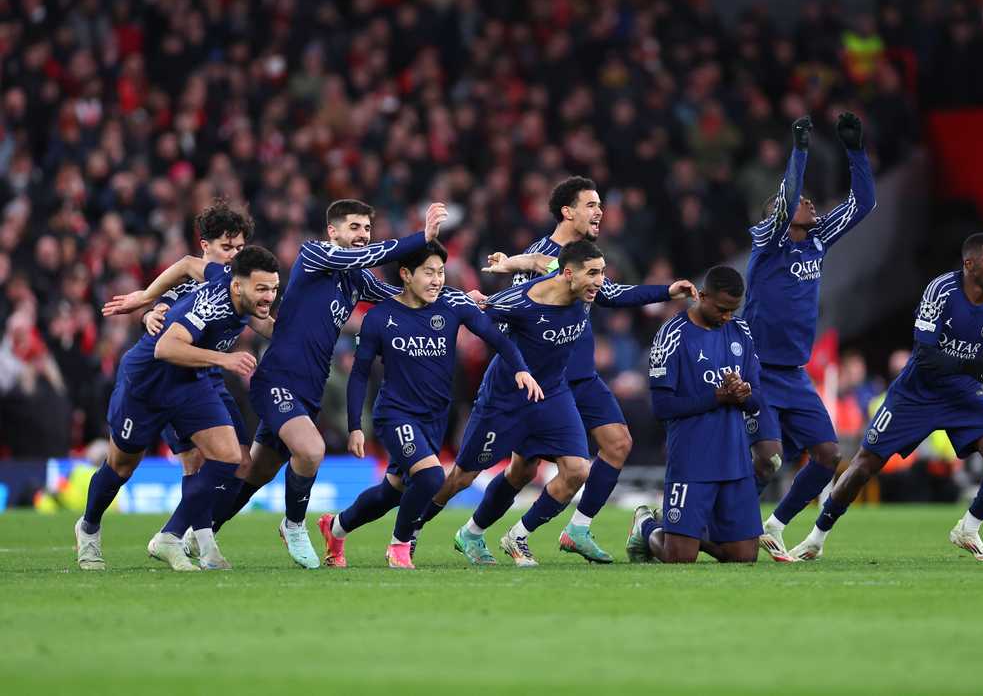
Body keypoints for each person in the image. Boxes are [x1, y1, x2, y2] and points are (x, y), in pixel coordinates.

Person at [788, 234, 983, 562]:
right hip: (916, 393)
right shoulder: (941, 291)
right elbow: (925, 355)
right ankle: (816, 537)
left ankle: (969, 529)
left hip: (962, 394)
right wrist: (976, 367)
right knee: (864, 465)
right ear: (969, 264)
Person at [477, 175, 699, 563]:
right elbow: (511, 315)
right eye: (591, 205)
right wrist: (519, 369)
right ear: (568, 211)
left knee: (618, 443)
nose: (600, 211)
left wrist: (665, 291)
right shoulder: (539, 256)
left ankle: (576, 529)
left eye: (600, 204)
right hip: (547, 382)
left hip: (582, 375)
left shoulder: (589, 259)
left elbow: (613, 294)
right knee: (521, 470)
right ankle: (472, 530)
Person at [222, 199, 448, 568]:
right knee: (311, 450)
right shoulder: (315, 255)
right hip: (277, 379)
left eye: (367, 228)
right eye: (354, 227)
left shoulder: (356, 279)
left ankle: (196, 530)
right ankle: (294, 524)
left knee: (253, 474)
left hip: (310, 390)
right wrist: (421, 237)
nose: (363, 235)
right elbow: (372, 255)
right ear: (333, 231)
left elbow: (405, 297)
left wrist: (459, 301)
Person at [315, 240, 543, 569]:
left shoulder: (453, 303)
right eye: (428, 273)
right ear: (406, 275)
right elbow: (360, 374)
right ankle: (399, 546)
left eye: (440, 272)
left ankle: (335, 527)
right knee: (432, 477)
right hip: (395, 414)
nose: (437, 280)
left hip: (434, 418)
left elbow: (497, 339)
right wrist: (355, 427)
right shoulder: (379, 317)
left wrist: (521, 368)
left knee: (391, 492)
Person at [77, 247, 281, 571]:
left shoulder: (234, 285)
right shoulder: (212, 303)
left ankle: (170, 536)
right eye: (262, 289)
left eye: (273, 288)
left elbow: (188, 265)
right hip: (147, 383)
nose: (269, 296)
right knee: (121, 467)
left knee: (229, 457)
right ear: (238, 286)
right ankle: (88, 527)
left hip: (189, 383)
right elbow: (165, 347)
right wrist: (224, 359)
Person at [742, 113, 877, 562]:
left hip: (795, 374)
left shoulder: (817, 240)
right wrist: (799, 152)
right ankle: (728, 523)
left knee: (827, 453)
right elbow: (784, 202)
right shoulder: (767, 240)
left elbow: (864, 203)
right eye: (802, 200)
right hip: (757, 370)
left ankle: (774, 525)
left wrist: (855, 151)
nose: (810, 202)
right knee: (766, 459)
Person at [626, 266, 776, 564]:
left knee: (744, 556)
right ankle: (646, 526)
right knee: (679, 558)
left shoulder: (741, 330)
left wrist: (744, 394)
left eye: (733, 310)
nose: (727, 316)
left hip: (734, 458)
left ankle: (688, 535)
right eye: (721, 309)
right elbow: (661, 407)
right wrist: (716, 397)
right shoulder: (672, 334)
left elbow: (758, 398)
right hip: (692, 458)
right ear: (702, 296)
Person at [137, 201, 259, 556]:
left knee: (242, 461)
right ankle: (191, 539)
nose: (234, 255)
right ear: (205, 245)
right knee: (194, 461)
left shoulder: (237, 284)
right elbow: (161, 314)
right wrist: (149, 311)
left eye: (240, 248)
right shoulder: (185, 285)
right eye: (227, 247)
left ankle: (195, 533)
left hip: (212, 378)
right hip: (175, 380)